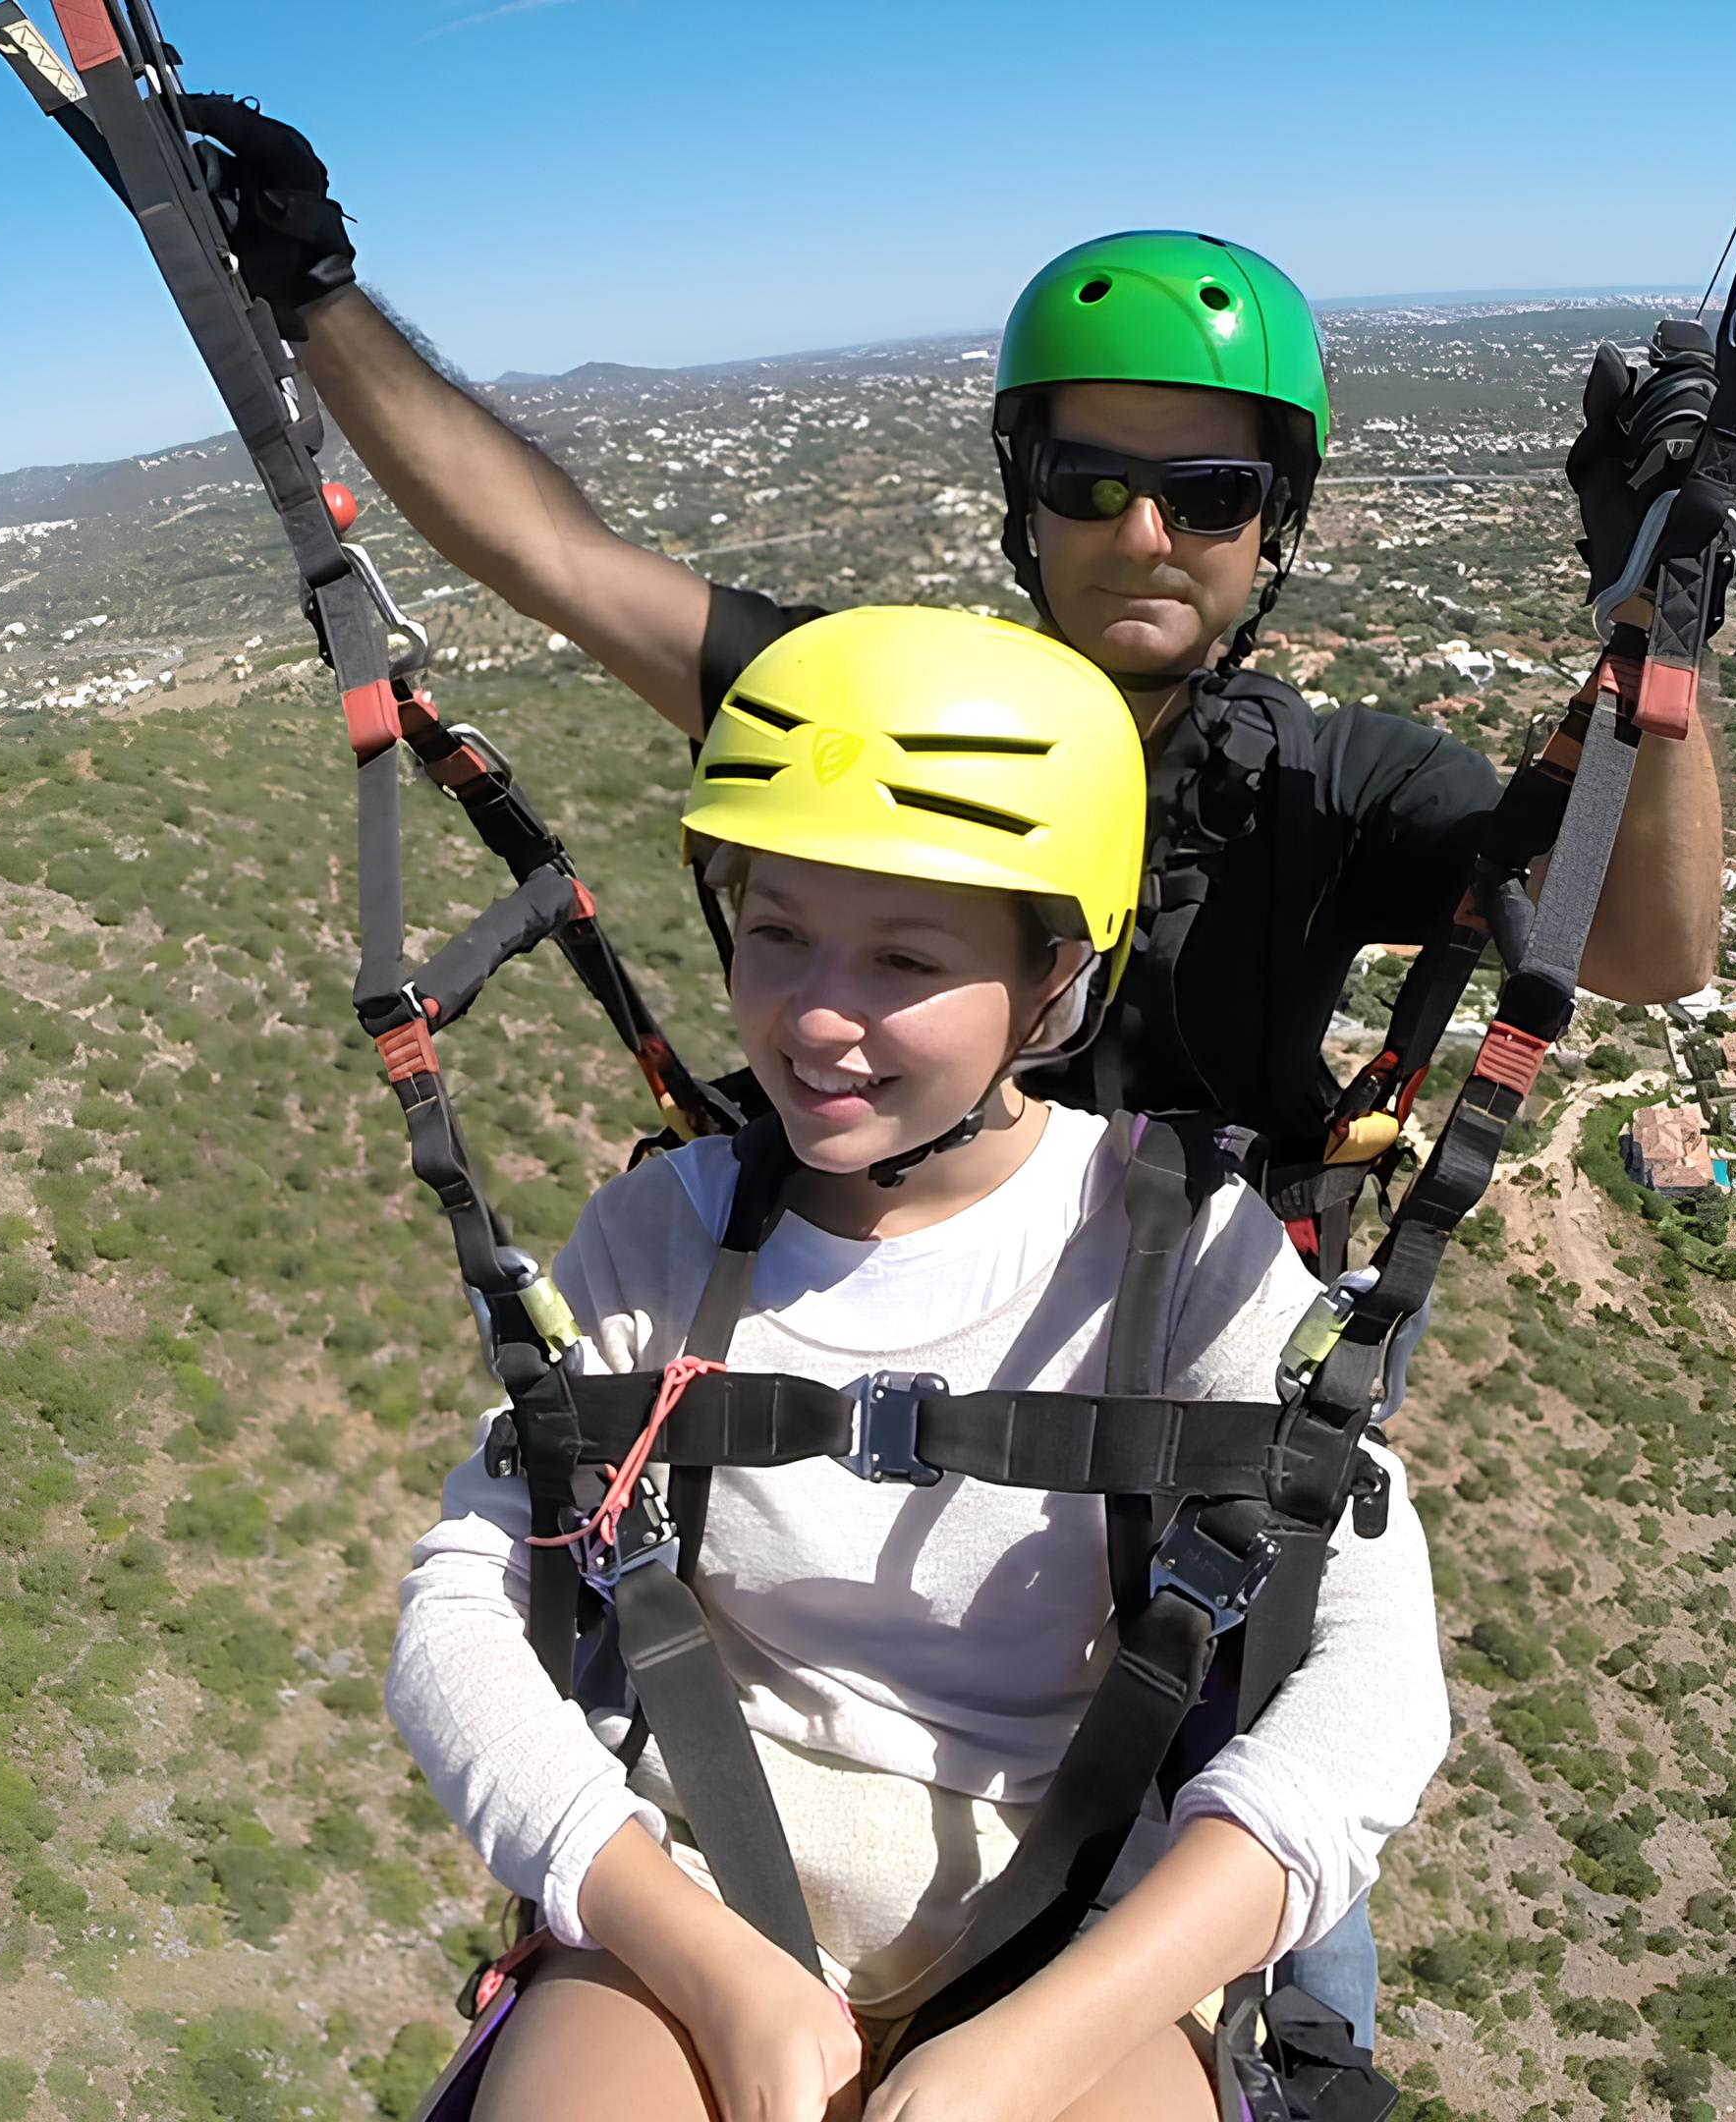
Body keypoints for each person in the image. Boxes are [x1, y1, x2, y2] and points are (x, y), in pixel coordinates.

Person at [190, 101, 1723, 1194]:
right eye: (1089, 481)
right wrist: (316, 297)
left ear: (1275, 528)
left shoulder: (1334, 786)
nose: (1142, 534)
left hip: (1196, 1368)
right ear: (1024, 501)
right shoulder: (866, 712)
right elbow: (555, 560)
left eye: (1208, 494)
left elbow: (1645, 951)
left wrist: (1661, 628)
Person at [386, 606, 1442, 2122]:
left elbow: (1374, 1678)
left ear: (1054, 979)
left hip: (1073, 1928)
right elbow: (459, 1614)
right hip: (704, 1895)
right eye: (777, 930)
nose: (818, 1016)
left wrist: (1039, 2043)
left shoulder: (1184, 1258)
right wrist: (706, 1965)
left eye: (905, 957)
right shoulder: (657, 1242)